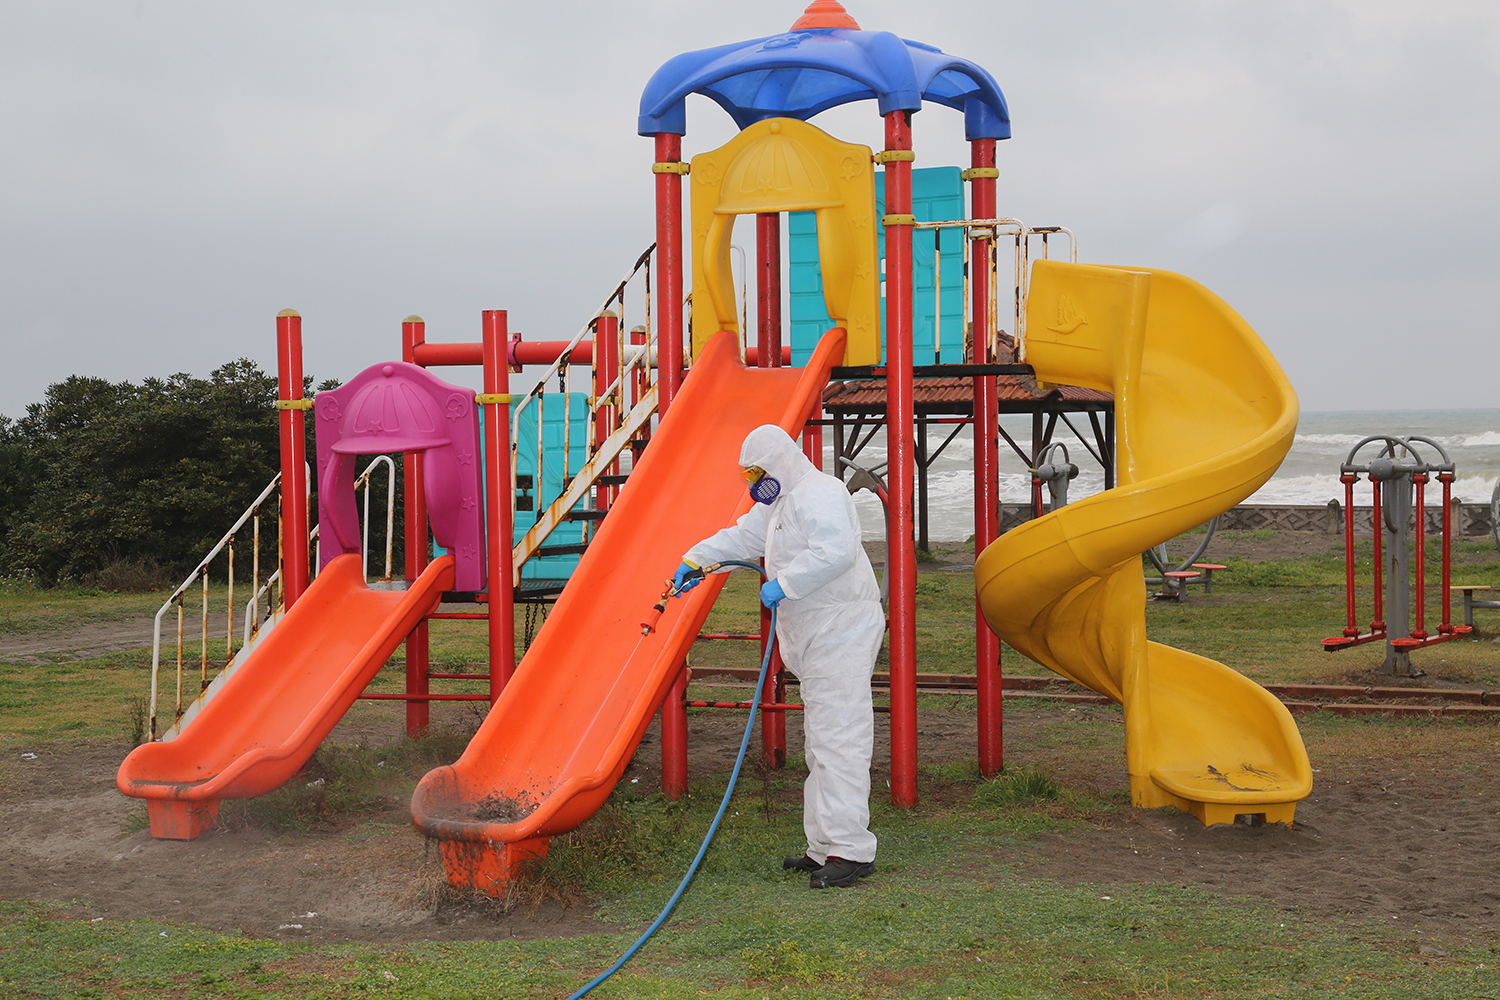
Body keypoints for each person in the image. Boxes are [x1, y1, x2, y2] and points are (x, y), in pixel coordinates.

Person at [673, 424, 884, 889]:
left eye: (756, 472)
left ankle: (849, 850)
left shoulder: (820, 492)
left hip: (841, 628)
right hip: (816, 633)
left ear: (780, 462)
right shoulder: (776, 506)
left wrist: (784, 584)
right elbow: (738, 539)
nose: (752, 483)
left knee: (839, 739)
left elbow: (836, 552)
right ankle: (823, 847)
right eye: (747, 474)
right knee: (820, 740)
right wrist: (695, 560)